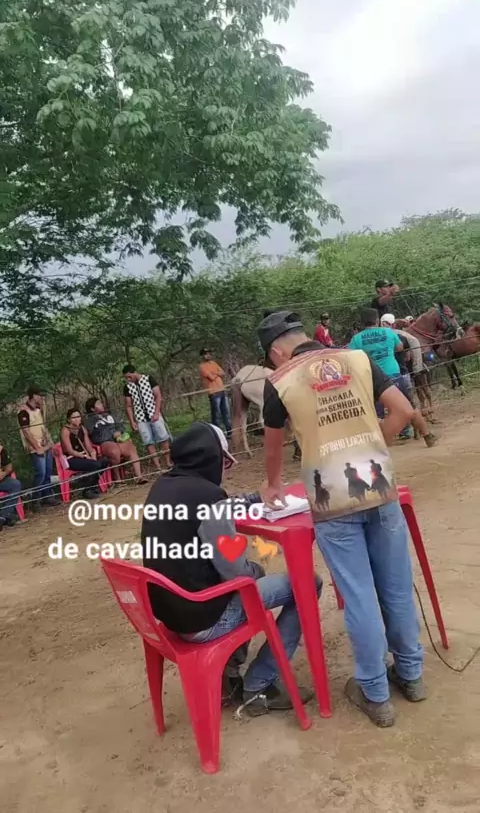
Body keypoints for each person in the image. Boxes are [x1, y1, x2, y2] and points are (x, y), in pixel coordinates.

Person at [257, 309, 426, 728]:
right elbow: (403, 411)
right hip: (380, 487)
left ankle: (375, 694)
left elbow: (273, 447)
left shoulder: (280, 380)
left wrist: (273, 485)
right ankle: (411, 675)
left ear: (276, 352)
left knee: (359, 595)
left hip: (331, 502)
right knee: (397, 587)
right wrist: (372, 447)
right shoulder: (356, 359)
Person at [141, 420, 321, 717]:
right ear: (210, 459)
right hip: (203, 618)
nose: (227, 469)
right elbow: (236, 572)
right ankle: (260, 685)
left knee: (252, 580)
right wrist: (254, 570)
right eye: (225, 461)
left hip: (173, 614)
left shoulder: (164, 486)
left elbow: (216, 509)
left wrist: (252, 499)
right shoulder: (207, 497)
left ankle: (229, 675)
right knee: (307, 583)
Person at [349, 310, 436, 447]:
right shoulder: (388, 332)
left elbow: (351, 357)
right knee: (408, 407)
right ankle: (426, 435)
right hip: (393, 373)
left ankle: (381, 443)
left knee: (377, 414)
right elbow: (400, 347)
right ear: (377, 320)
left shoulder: (356, 339)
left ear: (362, 322)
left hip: (373, 378)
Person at [84, 397, 147, 485]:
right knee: (114, 451)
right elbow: (94, 436)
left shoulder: (109, 415)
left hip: (118, 439)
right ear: (92, 409)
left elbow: (120, 426)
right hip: (105, 441)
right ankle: (117, 478)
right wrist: (111, 435)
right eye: (98, 404)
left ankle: (139, 476)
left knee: (131, 448)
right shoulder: (89, 421)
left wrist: (119, 432)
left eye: (101, 403)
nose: (101, 405)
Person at [122, 365, 172, 470]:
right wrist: (132, 421)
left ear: (135, 372)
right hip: (140, 417)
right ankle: (158, 466)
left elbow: (158, 395)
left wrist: (157, 412)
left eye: (129, 376)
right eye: (126, 377)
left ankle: (168, 462)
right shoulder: (127, 387)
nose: (128, 379)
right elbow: (128, 405)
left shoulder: (149, 379)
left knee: (163, 438)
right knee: (148, 442)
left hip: (153, 412)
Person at [18, 385, 54, 510]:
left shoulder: (38, 410)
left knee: (48, 471)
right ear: (33, 396)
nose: (42, 398)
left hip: (45, 444)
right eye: (40, 396)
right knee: (41, 473)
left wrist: (49, 441)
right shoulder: (23, 411)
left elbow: (42, 426)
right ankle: (36, 500)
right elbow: (26, 432)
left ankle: (47, 496)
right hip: (35, 447)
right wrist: (36, 447)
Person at [60, 409, 110, 498]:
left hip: (84, 456)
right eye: (74, 418)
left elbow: (89, 447)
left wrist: (92, 453)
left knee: (104, 461)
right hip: (71, 459)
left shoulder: (82, 429)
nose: (77, 419)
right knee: (94, 465)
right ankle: (87, 490)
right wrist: (84, 456)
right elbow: (70, 450)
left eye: (78, 417)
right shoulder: (65, 431)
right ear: (69, 419)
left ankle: (91, 485)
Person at [199, 349, 232, 436]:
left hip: (222, 390)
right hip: (213, 392)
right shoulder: (202, 366)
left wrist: (214, 373)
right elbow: (211, 377)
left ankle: (229, 431)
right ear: (202, 356)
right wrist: (217, 373)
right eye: (205, 354)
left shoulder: (214, 363)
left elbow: (223, 373)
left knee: (226, 412)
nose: (208, 355)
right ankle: (218, 433)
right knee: (217, 414)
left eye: (209, 353)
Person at [0, 443, 23, 528]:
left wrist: (4, 473)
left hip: (1, 480)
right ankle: (7, 517)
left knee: (15, 484)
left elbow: (9, 466)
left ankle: (3, 515)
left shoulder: (1, 449)